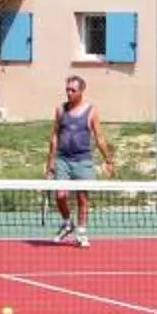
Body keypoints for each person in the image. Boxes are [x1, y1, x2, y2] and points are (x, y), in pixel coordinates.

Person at [48, 75, 108, 246]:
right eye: (67, 89)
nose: (69, 93)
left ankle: (81, 231)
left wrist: (108, 160)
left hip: (83, 160)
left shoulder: (91, 111)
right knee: (60, 195)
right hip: (63, 160)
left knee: (83, 198)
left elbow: (100, 137)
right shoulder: (60, 110)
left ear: (81, 91)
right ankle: (67, 223)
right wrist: (50, 164)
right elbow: (54, 136)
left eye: (73, 90)